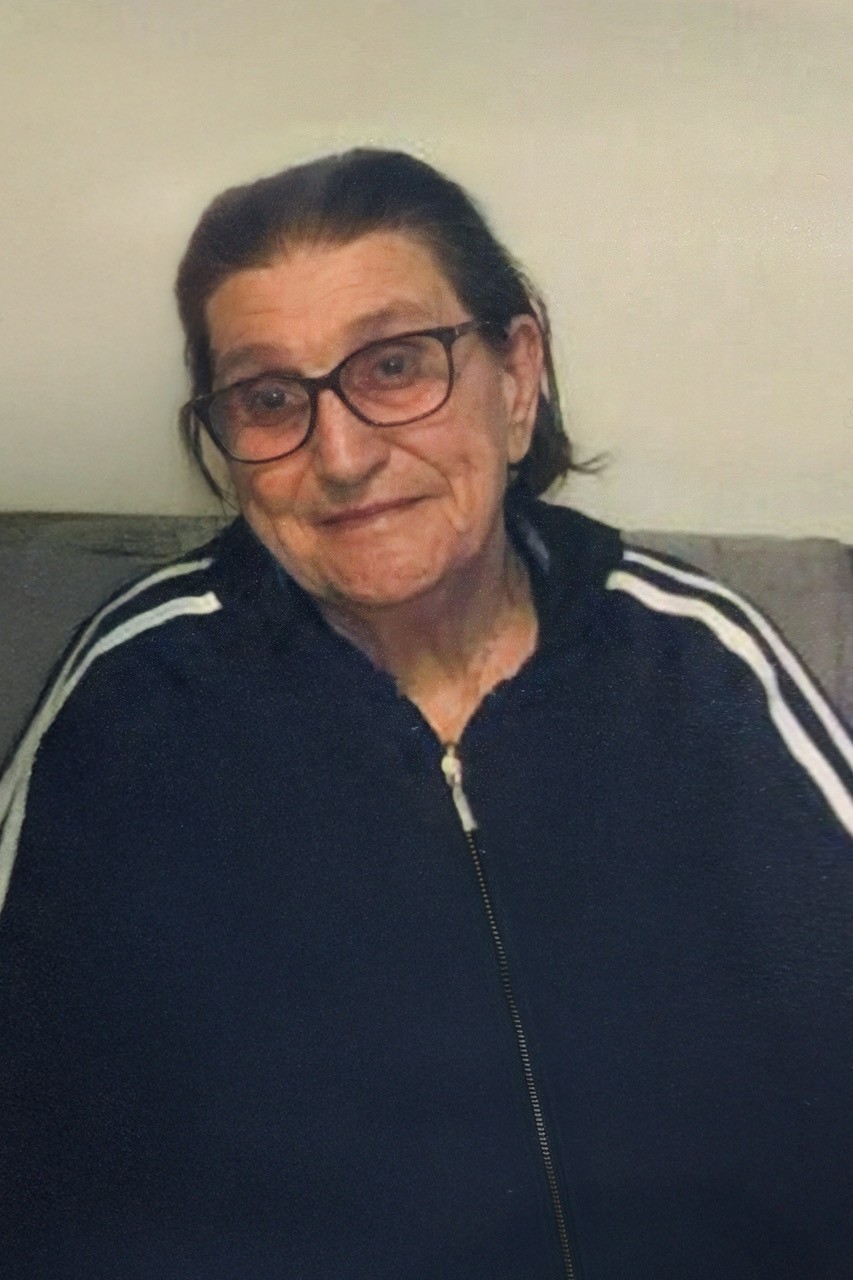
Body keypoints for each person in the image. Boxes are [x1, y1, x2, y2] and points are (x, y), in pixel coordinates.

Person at [1, 149, 851, 1280]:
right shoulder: (133, 702)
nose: (343, 455)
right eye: (269, 398)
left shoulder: (699, 664)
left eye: (395, 365)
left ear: (517, 376)